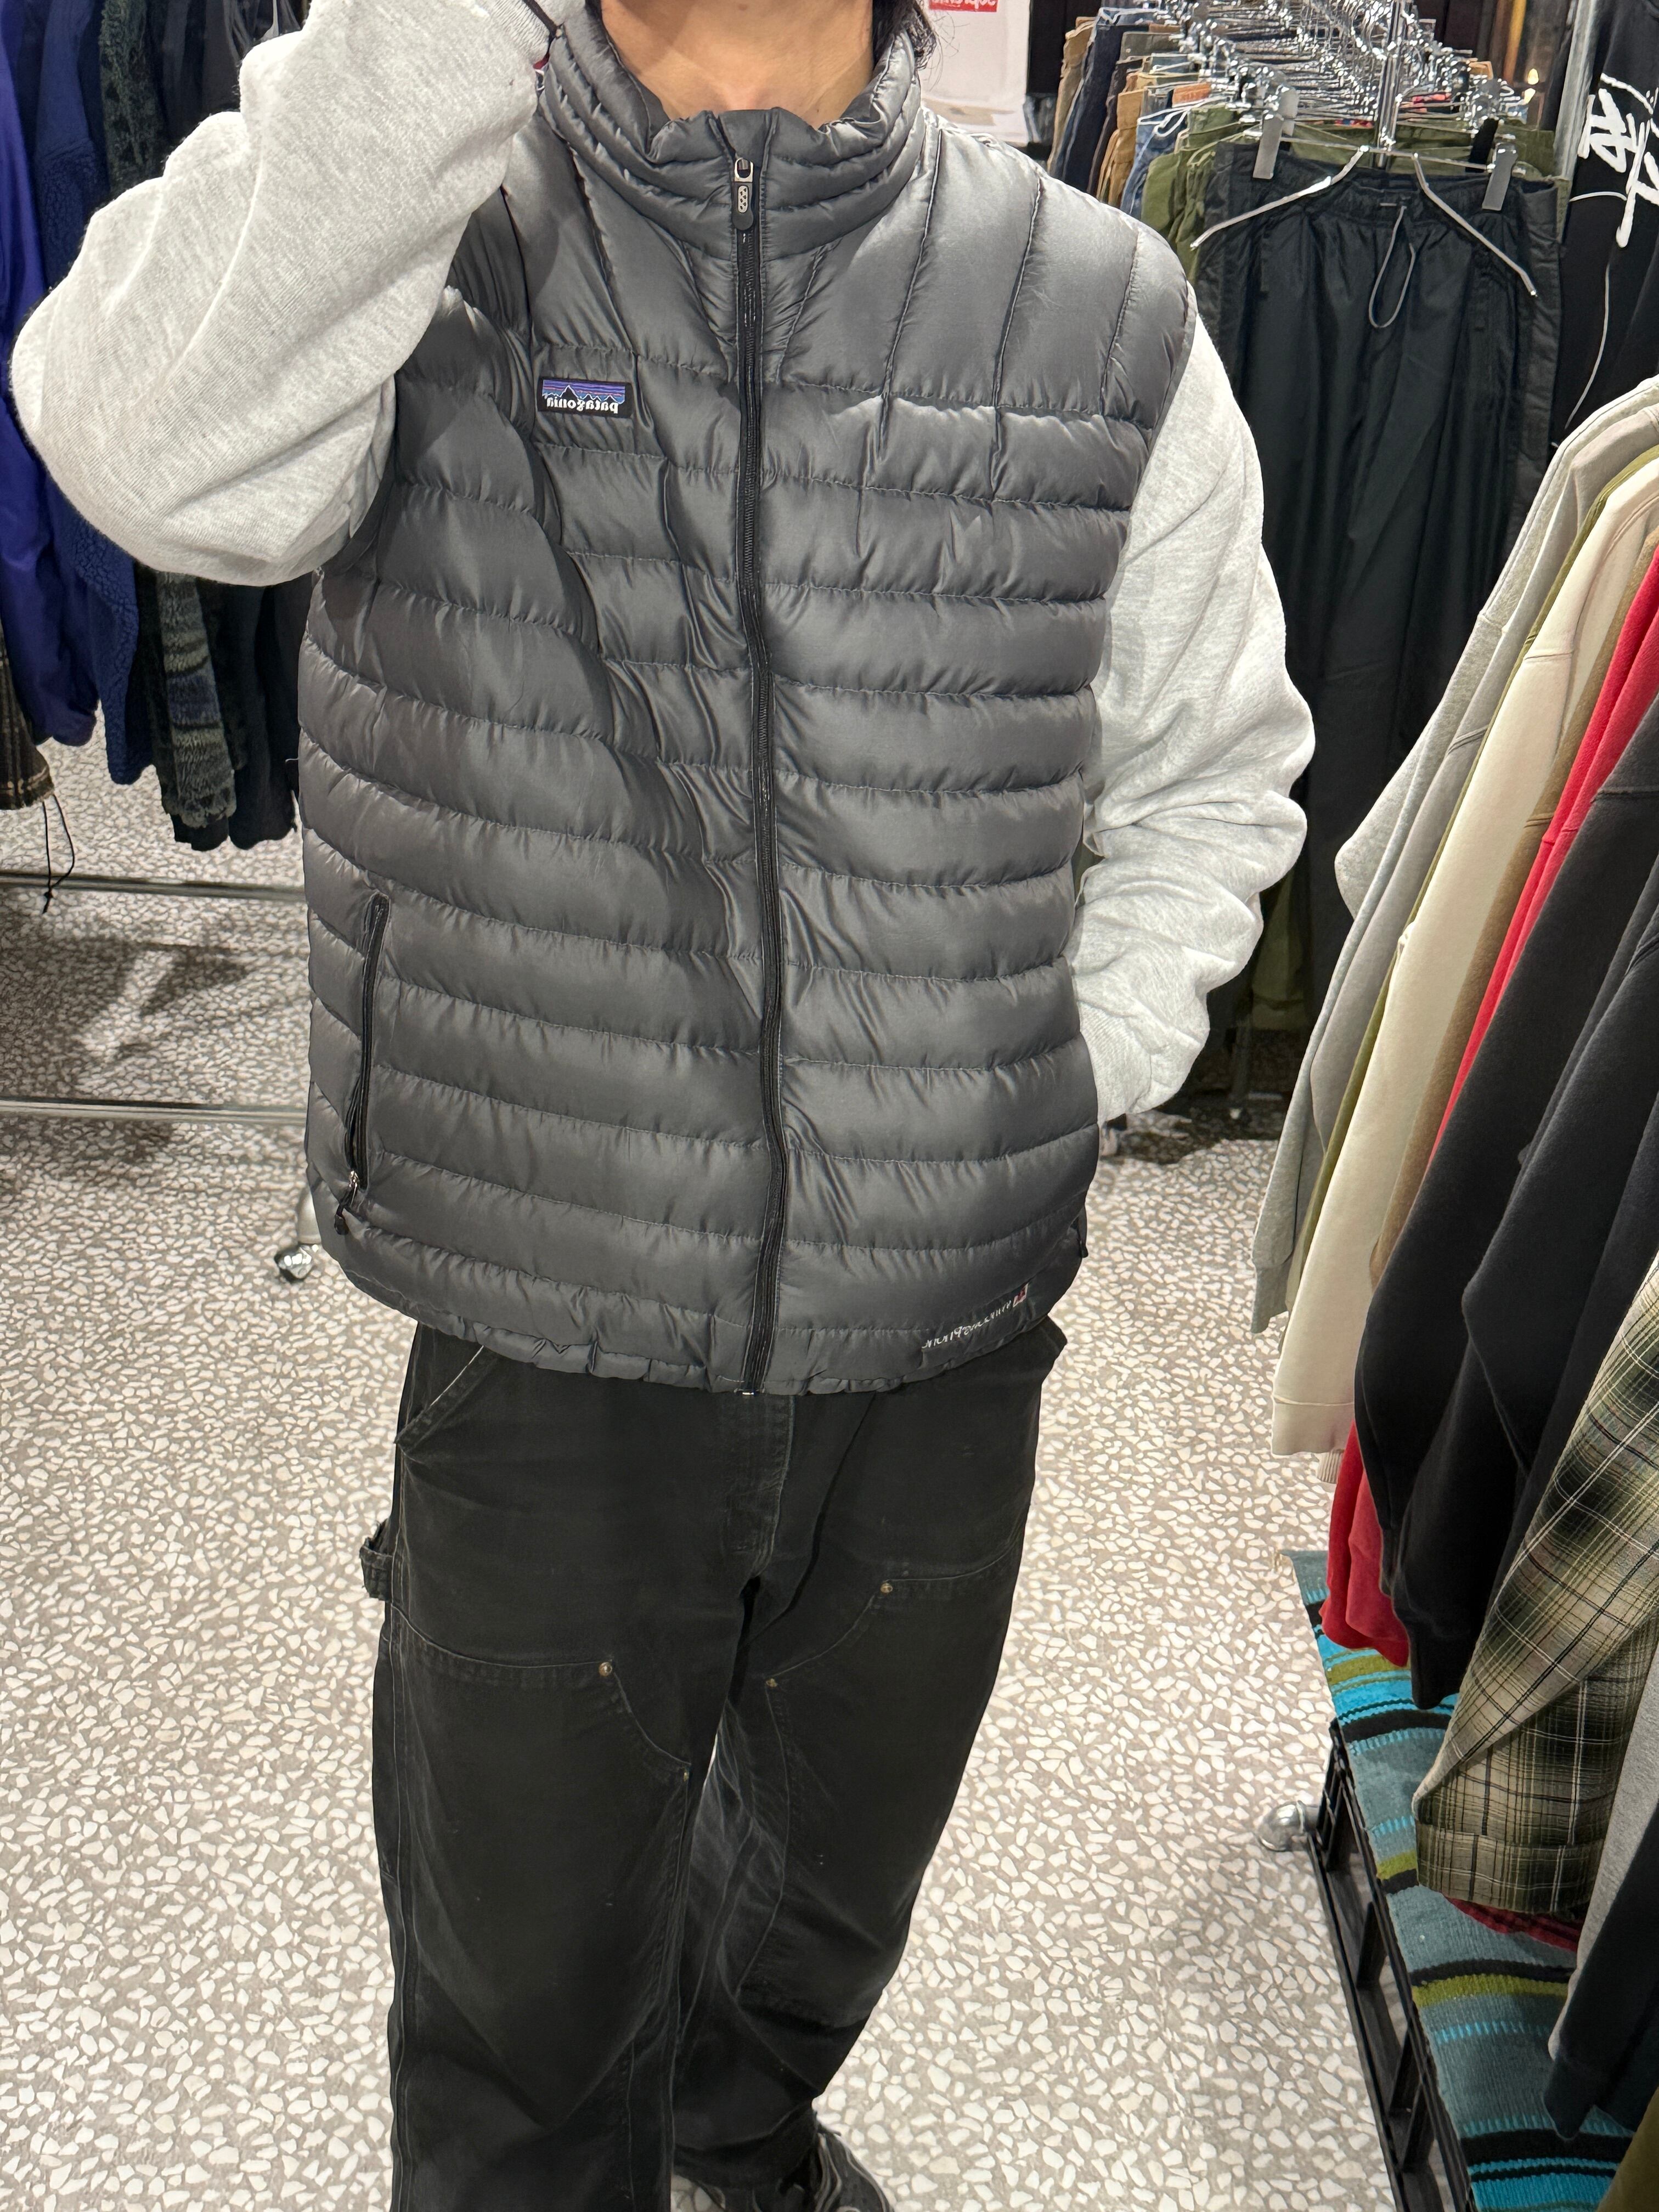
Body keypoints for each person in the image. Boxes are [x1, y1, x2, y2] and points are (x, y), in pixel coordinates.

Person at [14, 0, 1313, 2204]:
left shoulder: (1096, 303)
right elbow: (136, 446)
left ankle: (736, 2131)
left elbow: (1214, 767)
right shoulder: (418, 239)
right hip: (548, 1306)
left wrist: (1063, 1069)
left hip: (944, 1322)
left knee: (827, 1897)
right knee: (517, 1999)